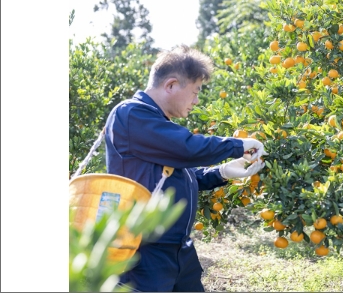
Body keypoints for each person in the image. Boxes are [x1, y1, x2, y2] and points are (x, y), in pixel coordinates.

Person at [104, 44, 268, 292]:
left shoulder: (157, 123)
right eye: (195, 92)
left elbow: (179, 175)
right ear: (170, 85)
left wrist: (221, 173)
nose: (197, 100)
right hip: (144, 252)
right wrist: (238, 145)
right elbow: (187, 148)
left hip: (178, 250)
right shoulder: (132, 114)